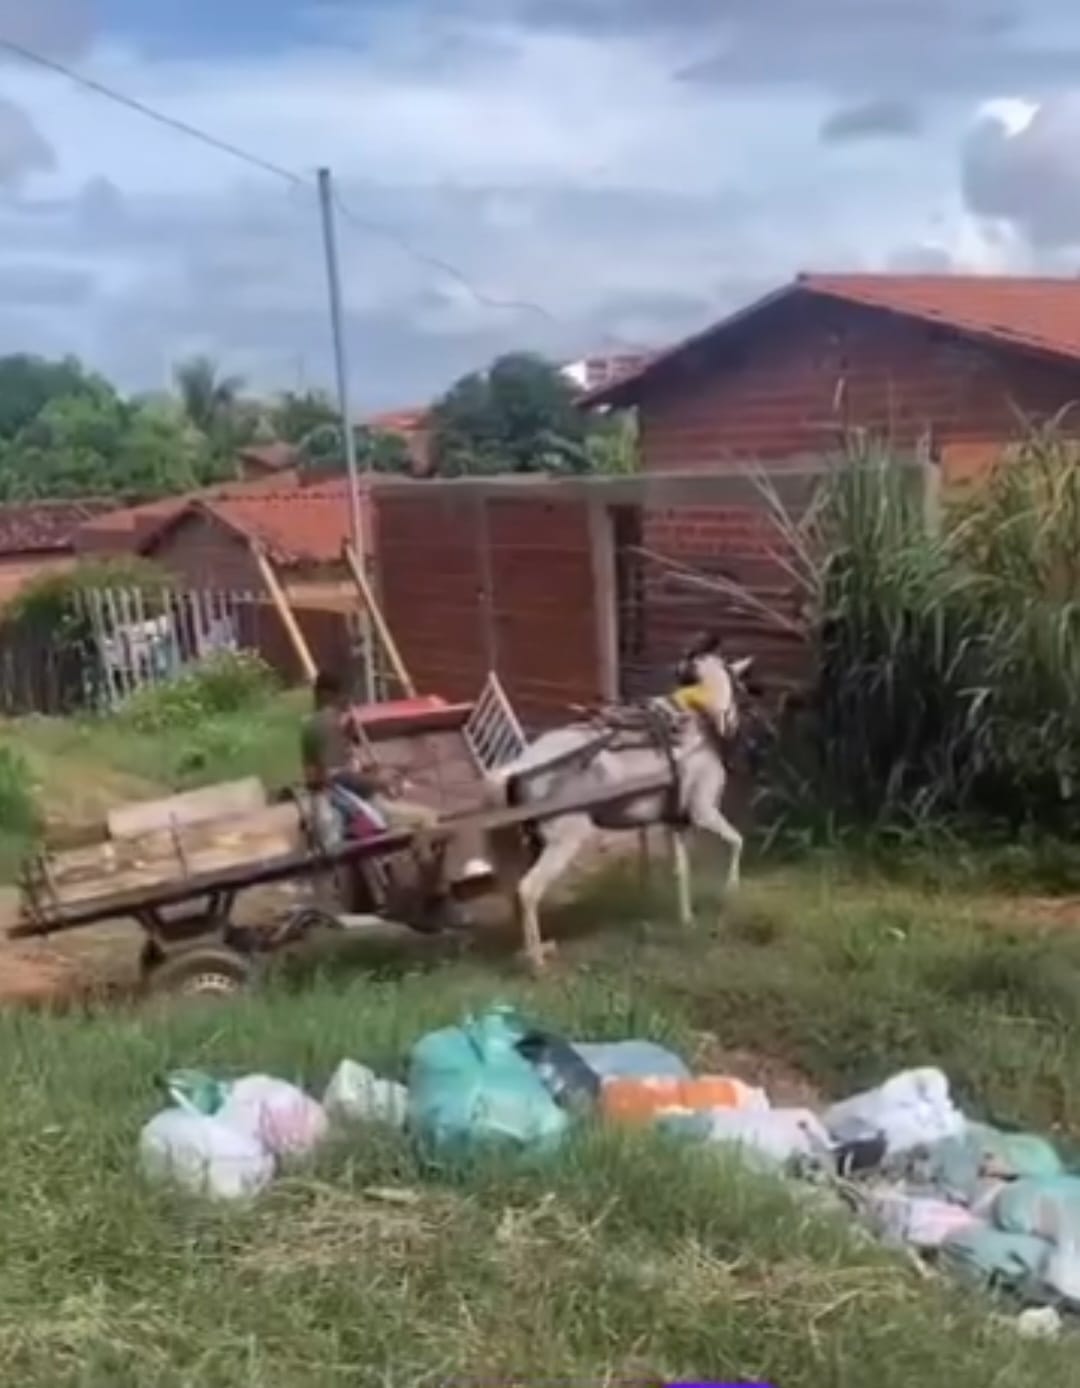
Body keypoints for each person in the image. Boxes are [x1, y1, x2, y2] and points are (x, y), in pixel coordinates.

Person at [300, 670, 437, 834]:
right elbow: (339, 778)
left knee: (411, 821)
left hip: (346, 806)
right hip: (350, 811)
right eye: (344, 696)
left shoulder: (319, 723)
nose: (348, 702)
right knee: (427, 817)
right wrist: (380, 783)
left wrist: (372, 771)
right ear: (328, 695)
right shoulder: (326, 724)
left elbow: (338, 770)